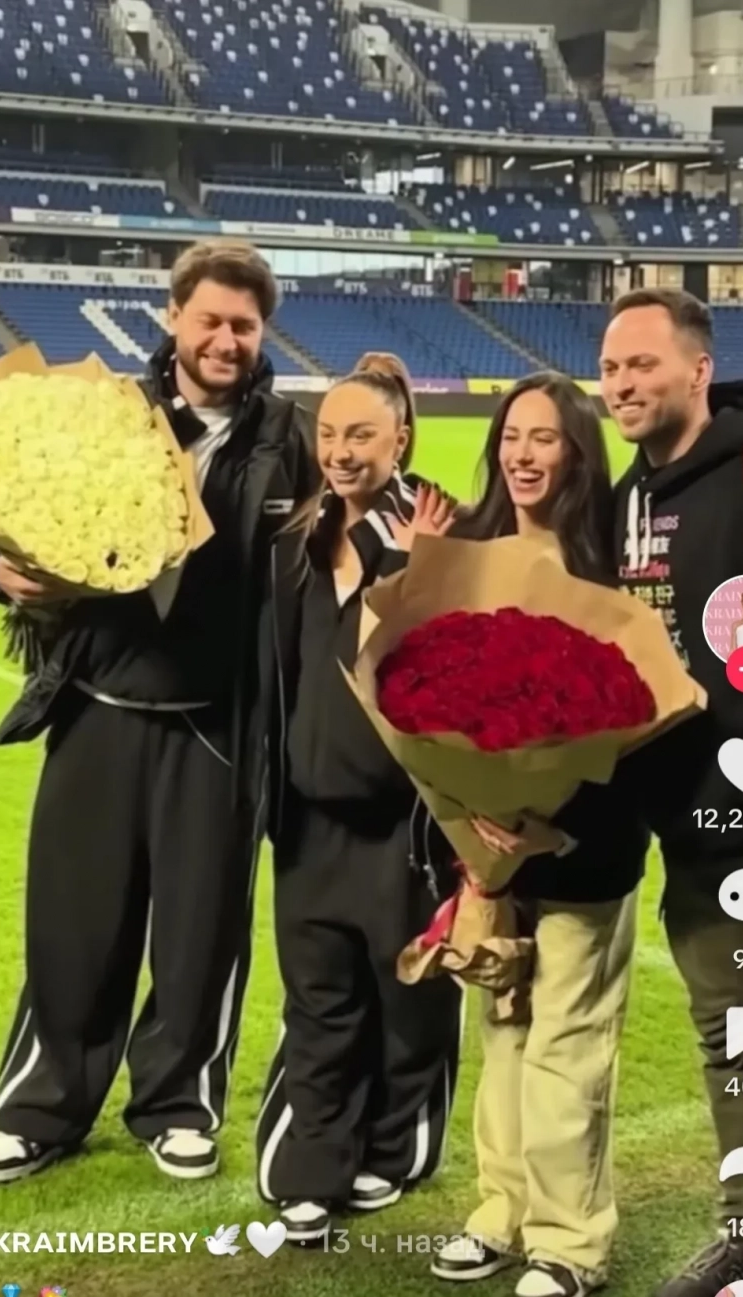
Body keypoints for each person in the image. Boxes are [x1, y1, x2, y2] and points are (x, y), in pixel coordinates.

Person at [0, 240, 314, 1185]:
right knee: (72, 917)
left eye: (244, 325)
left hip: (218, 722)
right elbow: (16, 508)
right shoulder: (107, 412)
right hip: (99, 705)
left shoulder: (292, 437)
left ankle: (179, 1101)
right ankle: (43, 1104)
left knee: (202, 929)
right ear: (173, 318)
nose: (226, 340)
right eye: (210, 320)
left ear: (262, 333)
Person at [602, 287, 743, 1297]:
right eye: (610, 368)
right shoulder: (625, 499)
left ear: (698, 369)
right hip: (688, 829)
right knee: (736, 1045)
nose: (621, 384)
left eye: (642, 363)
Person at [428, 372, 649, 1297]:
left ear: (577, 453)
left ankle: (570, 1242)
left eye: (544, 438)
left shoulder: (613, 563)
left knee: (568, 1043)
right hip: (494, 848)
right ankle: (503, 1211)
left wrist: (553, 807)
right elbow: (426, 694)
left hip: (588, 843)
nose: (523, 454)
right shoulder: (468, 549)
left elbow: (639, 706)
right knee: (506, 1033)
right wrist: (472, 808)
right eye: (512, 436)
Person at [254, 353, 464, 1245]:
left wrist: (417, 574)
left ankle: (396, 1145)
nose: (340, 451)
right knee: (320, 997)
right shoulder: (298, 536)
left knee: (407, 997)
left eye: (361, 435)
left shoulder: (440, 529)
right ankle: (316, 1162)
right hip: (308, 818)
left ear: (400, 439)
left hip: (402, 827)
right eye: (330, 433)